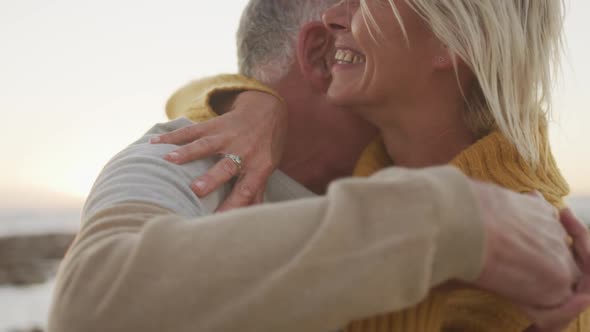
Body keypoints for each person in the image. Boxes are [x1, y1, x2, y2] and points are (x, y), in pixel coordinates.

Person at [47, 1, 590, 332]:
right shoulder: (190, 158)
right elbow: (92, 307)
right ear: (315, 55)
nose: (339, 19)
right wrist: (449, 216)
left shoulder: (533, 230)